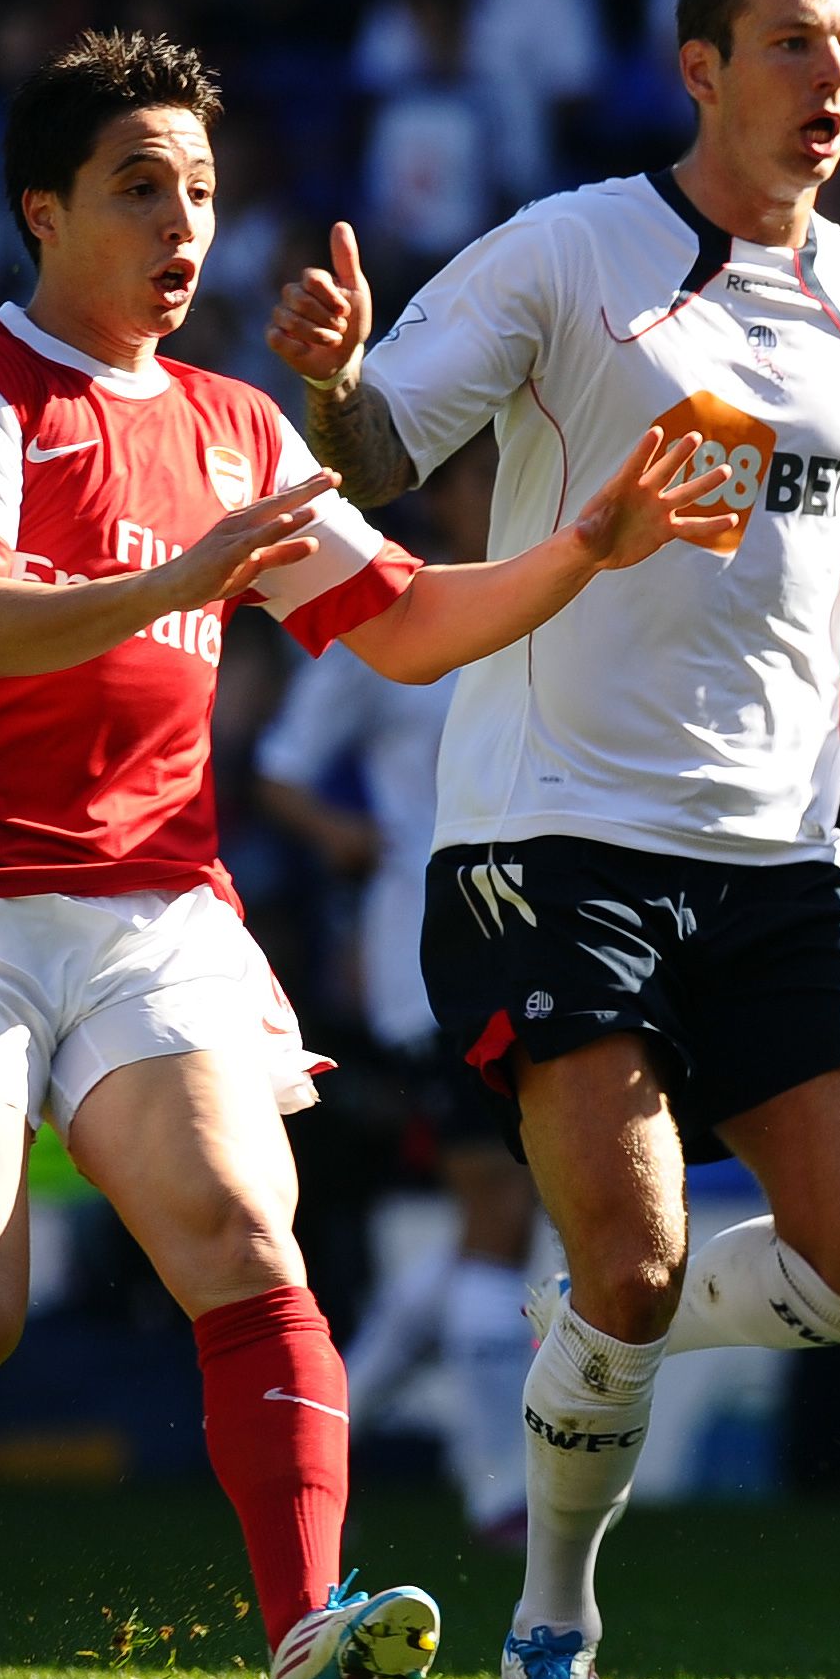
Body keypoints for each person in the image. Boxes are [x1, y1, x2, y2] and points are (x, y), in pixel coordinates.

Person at [0, 30, 744, 1679]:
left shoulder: (238, 426)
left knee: (247, 1242)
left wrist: (584, 546)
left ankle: (305, 1632)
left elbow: (400, 626)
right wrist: (175, 573)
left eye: (205, 192)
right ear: (42, 211)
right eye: (141, 188)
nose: (186, 224)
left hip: (151, 901)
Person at [278, 0, 840, 1679]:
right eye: (795, 45)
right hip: (550, 838)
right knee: (635, 1256)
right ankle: (552, 1632)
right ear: (699, 68)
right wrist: (333, 379)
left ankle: (585, 1334)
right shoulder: (573, 252)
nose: (833, 82)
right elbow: (378, 451)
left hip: (778, 861)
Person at [254, 446, 536, 1547]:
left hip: (546, 949)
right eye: (479, 478)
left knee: (505, 1222)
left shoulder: (552, 594)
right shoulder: (392, 619)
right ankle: (498, 1496)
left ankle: (333, 1417)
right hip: (434, 960)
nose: (495, 492)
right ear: (448, 496)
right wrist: (350, 839)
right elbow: (278, 768)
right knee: (499, 1214)